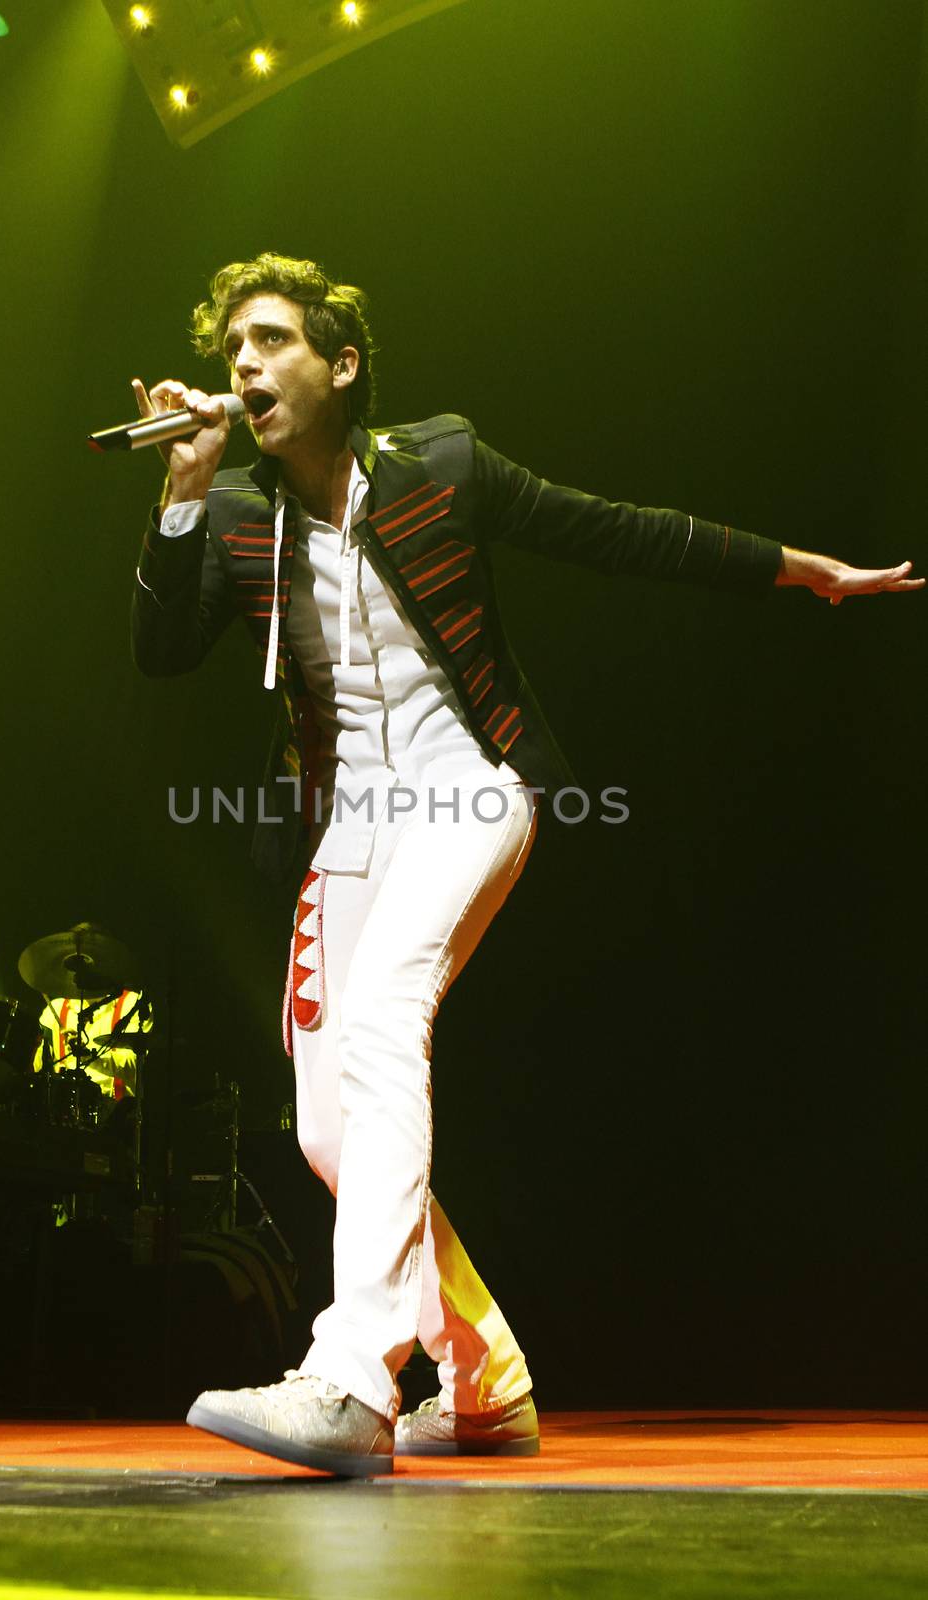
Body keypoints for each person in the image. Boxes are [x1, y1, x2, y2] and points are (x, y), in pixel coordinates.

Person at [129, 253, 921, 1477]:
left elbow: (610, 531)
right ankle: (484, 1376)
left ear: (341, 365)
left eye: (273, 339)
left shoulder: (439, 463)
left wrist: (792, 569)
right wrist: (180, 493)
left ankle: (349, 1378)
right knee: (331, 1128)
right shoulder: (241, 512)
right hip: (349, 819)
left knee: (389, 1009)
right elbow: (162, 651)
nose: (244, 363)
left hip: (471, 781)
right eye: (233, 346)